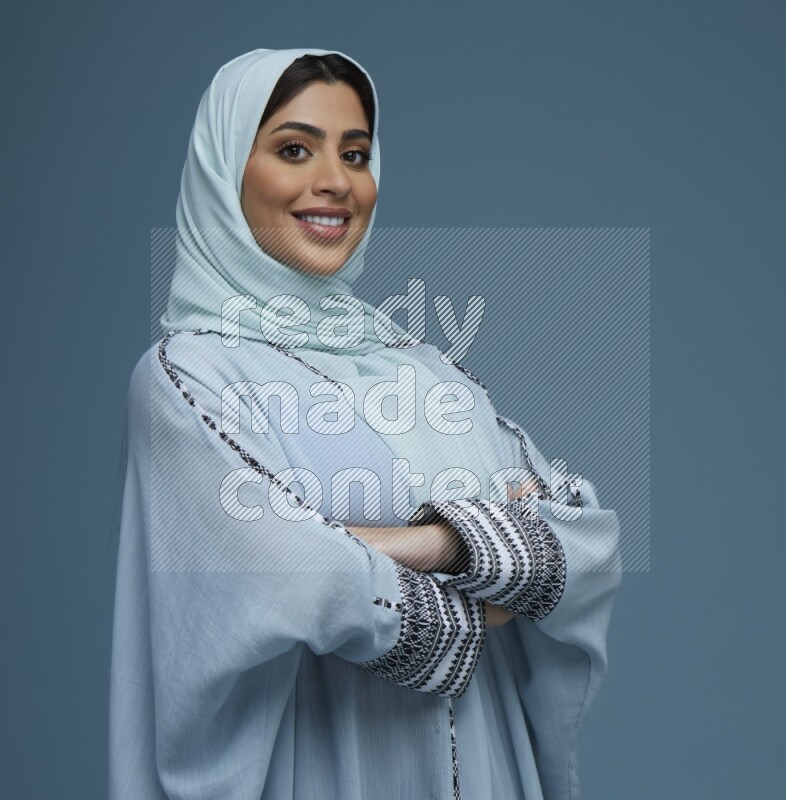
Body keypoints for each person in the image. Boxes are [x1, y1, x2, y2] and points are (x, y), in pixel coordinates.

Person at [108, 47, 622, 800]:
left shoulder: (422, 368)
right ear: (225, 173)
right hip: (323, 769)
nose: (336, 182)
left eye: (356, 153)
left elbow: (585, 533)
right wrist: (490, 569)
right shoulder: (188, 378)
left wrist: (419, 541)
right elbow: (284, 579)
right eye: (293, 149)